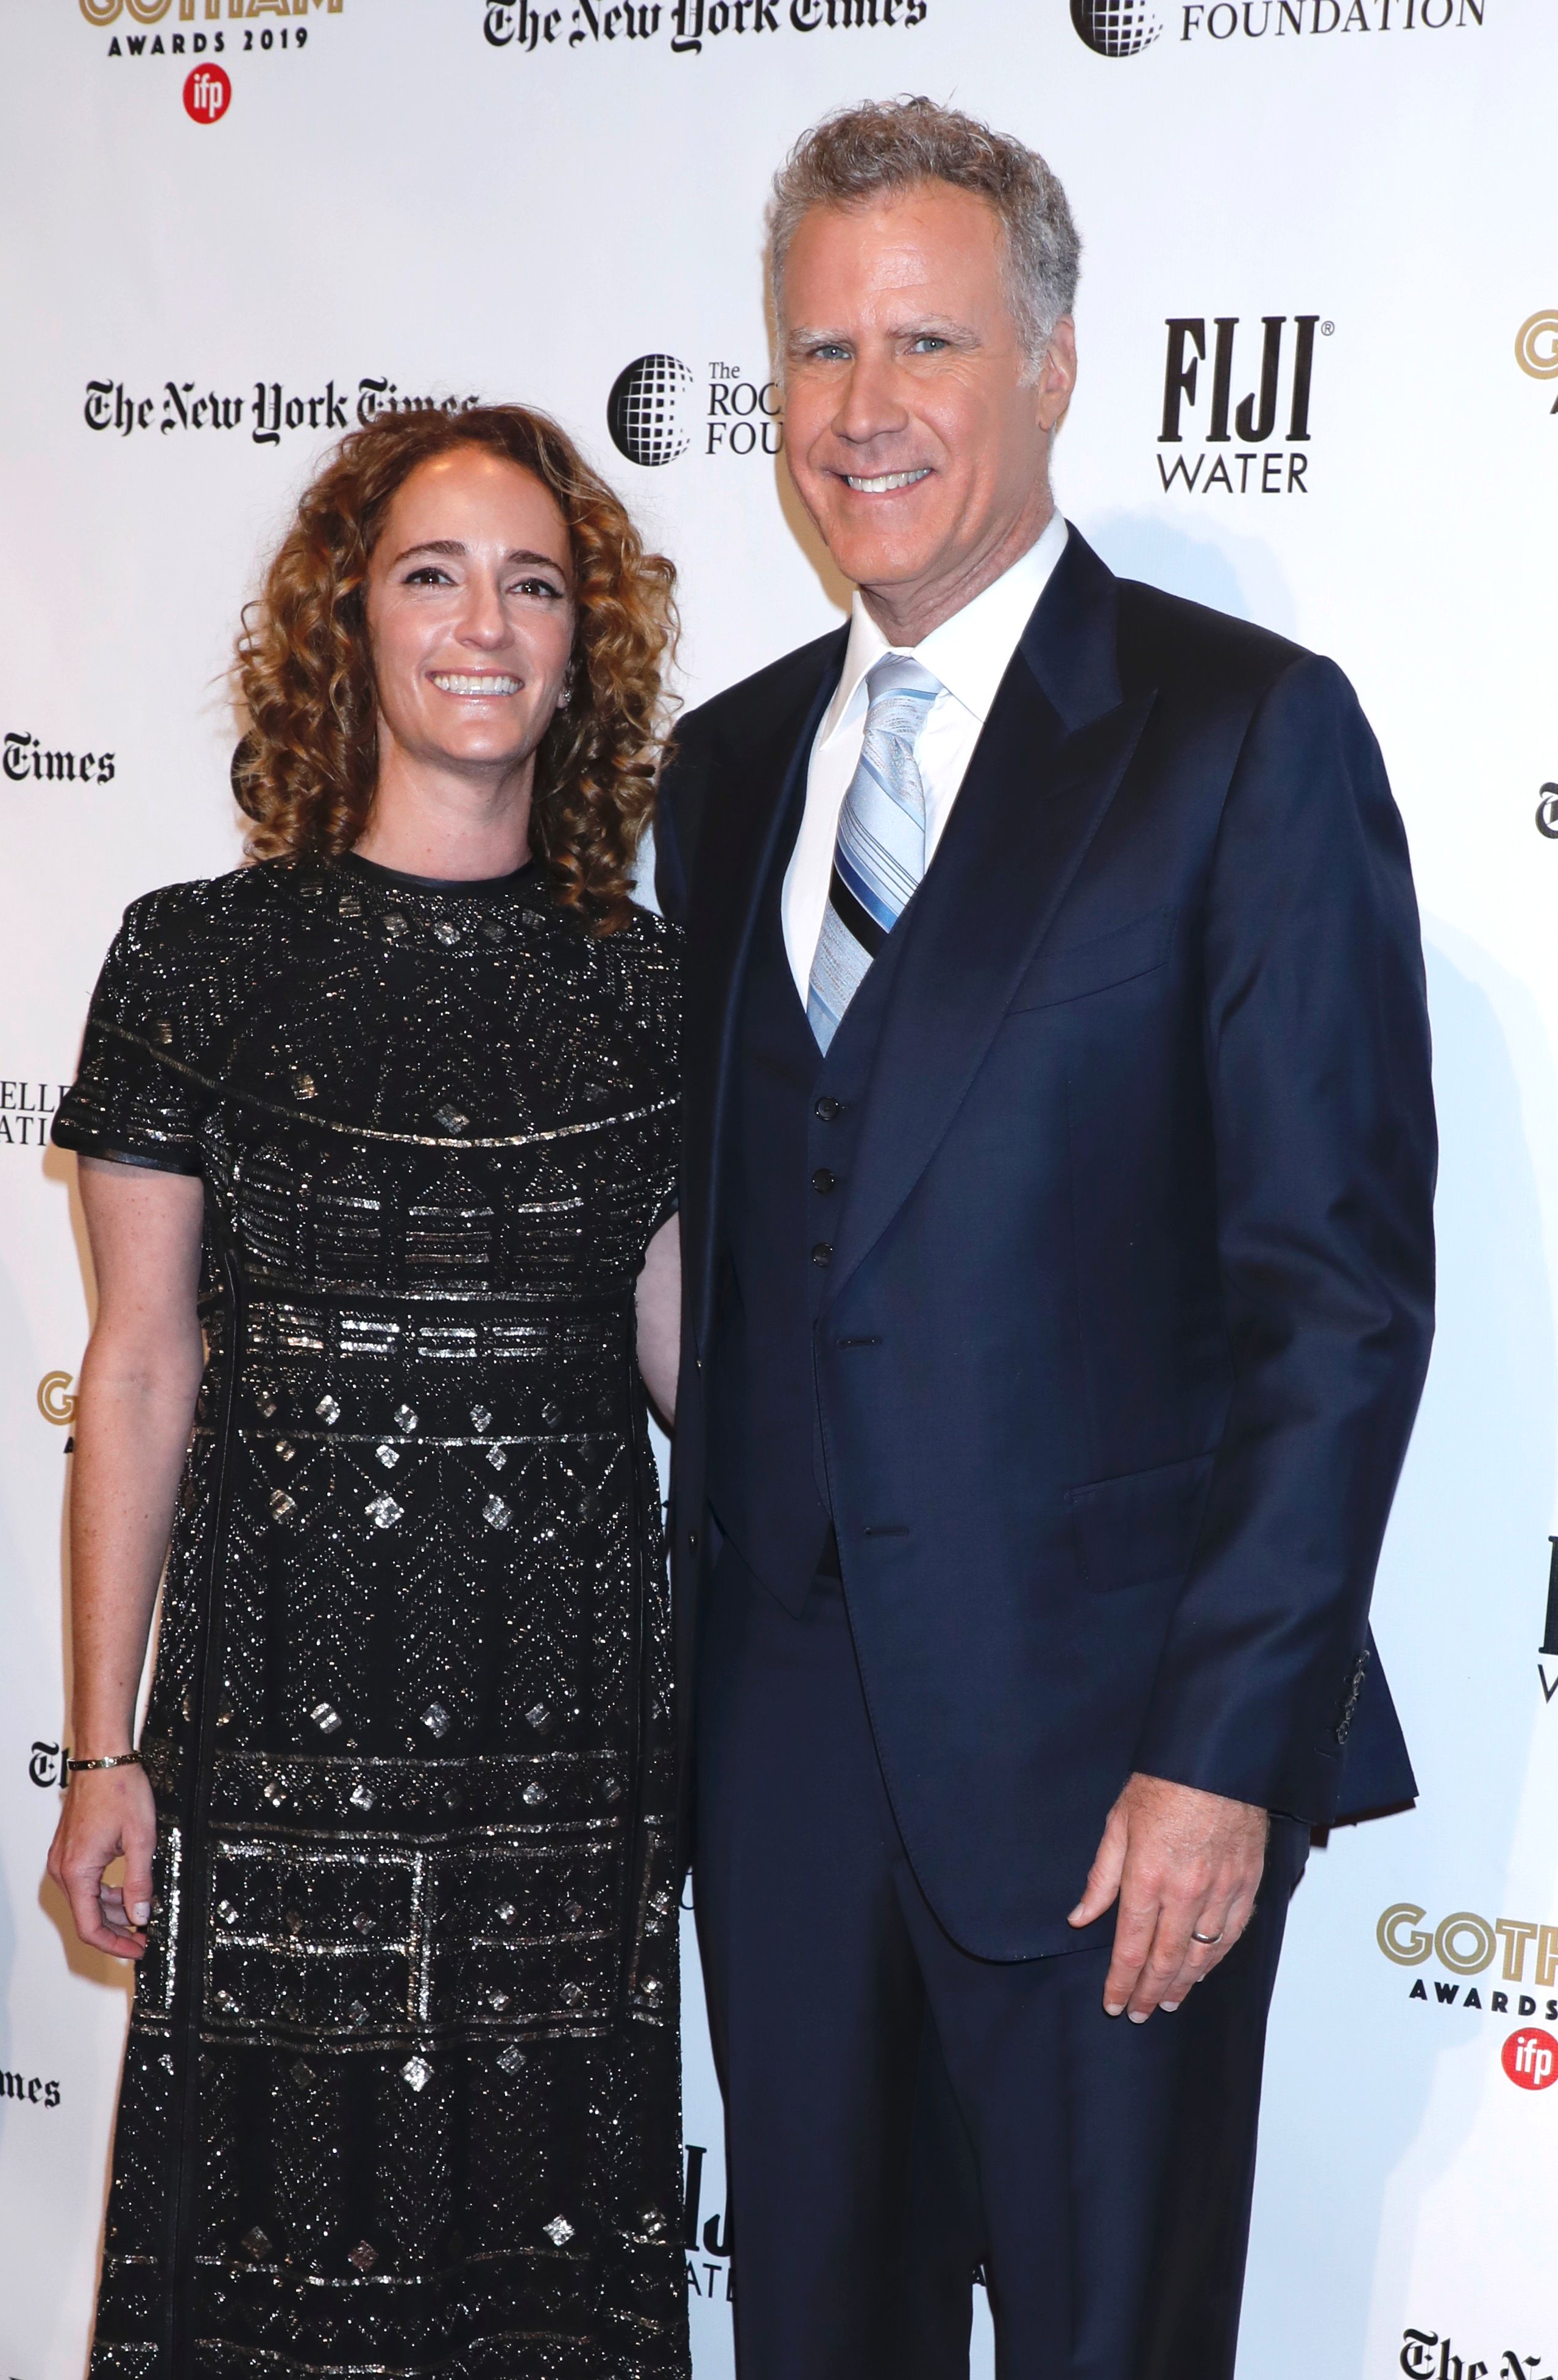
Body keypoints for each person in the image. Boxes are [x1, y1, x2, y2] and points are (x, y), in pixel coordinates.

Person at [655, 97, 1435, 2380]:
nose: (863, 410)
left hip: (1115, 1779)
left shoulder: (1237, 733)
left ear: (1054, 363)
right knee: (817, 2332)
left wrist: (1222, 1753)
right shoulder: (723, 771)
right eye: (817, 353)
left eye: (925, 341)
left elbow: (1336, 1301)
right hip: (779, 1760)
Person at [48, 403, 689, 2380]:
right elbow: (144, 1369)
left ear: (586, 646)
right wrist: (102, 1747)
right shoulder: (190, 963)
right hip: (275, 1735)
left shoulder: (652, 986)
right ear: (352, 619)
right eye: (432, 571)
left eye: (534, 581)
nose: (482, 622)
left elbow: (695, 1373)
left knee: (533, 2286)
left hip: (564, 1749)